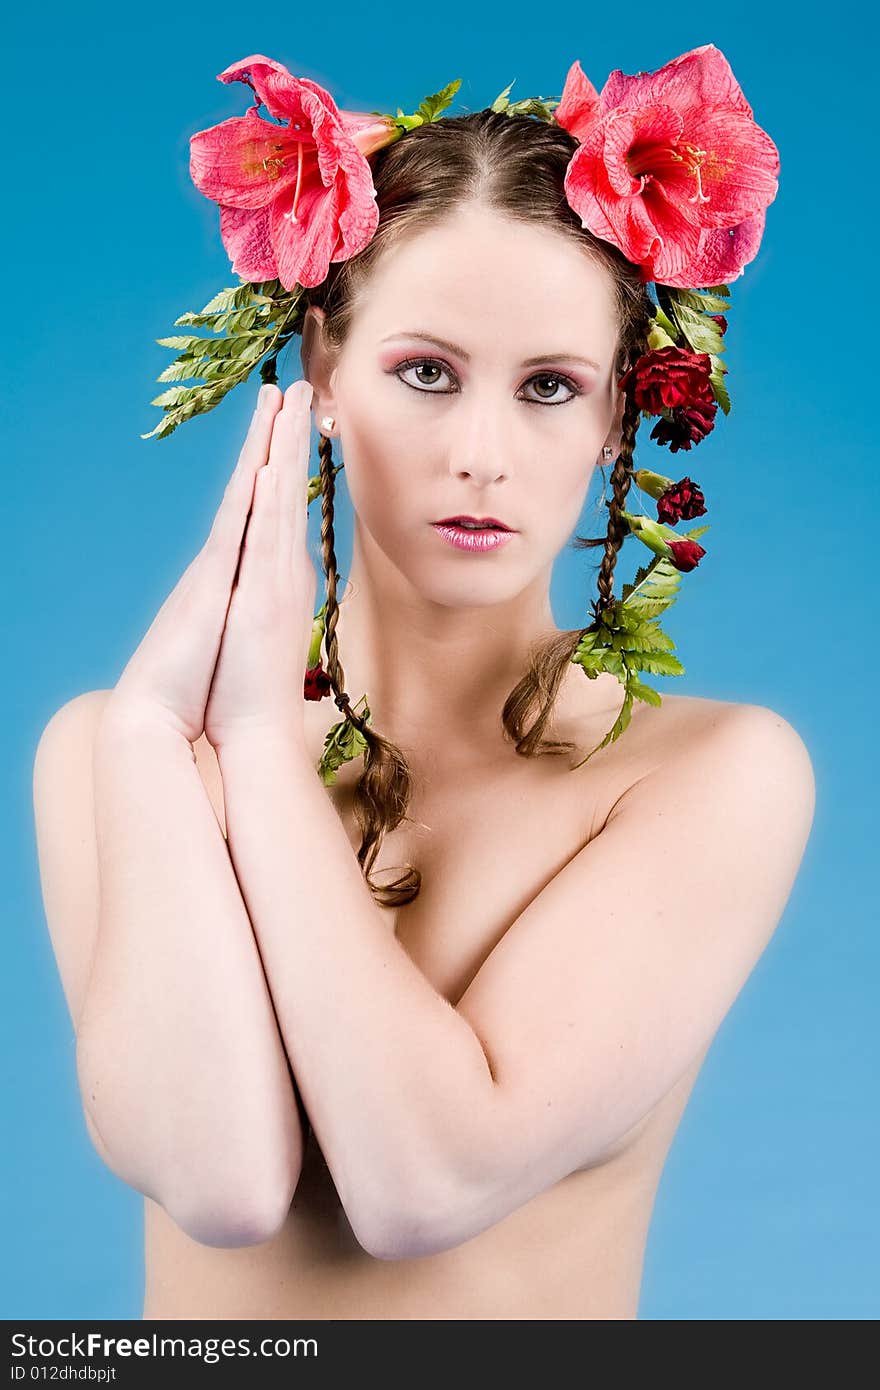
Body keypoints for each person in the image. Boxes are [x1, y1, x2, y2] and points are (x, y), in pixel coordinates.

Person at [32, 60, 816, 1321]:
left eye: (549, 386)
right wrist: (143, 737)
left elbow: (423, 1183)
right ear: (324, 371)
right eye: (427, 372)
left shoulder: (711, 775)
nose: (482, 456)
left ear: (619, 419)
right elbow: (217, 1181)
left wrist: (253, 743)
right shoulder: (110, 756)